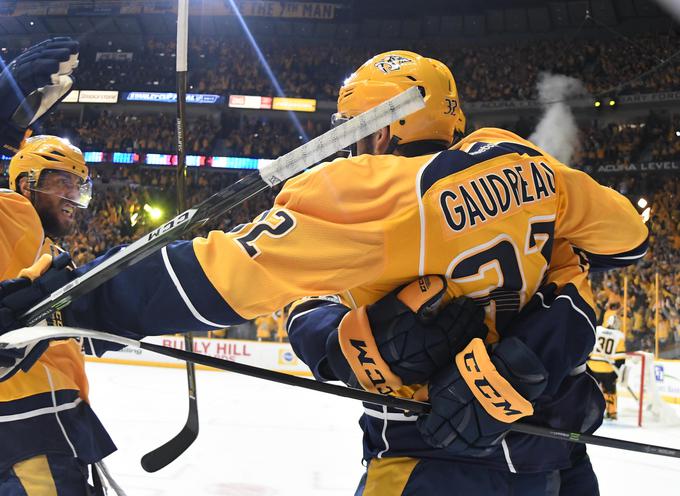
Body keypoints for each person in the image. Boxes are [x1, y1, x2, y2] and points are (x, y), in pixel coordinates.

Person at [0, 51, 649, 494]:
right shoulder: (524, 161)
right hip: (548, 457)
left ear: (381, 127)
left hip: (432, 461)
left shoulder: (369, 192)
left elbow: (217, 275)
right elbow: (628, 238)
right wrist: (560, 296)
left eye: (351, 127)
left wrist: (63, 300)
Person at [0, 136, 120, 495]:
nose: (73, 194)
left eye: (78, 184)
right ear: (27, 183)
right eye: (61, 181)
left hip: (53, 425)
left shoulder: (50, 252)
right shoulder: (12, 214)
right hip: (29, 431)